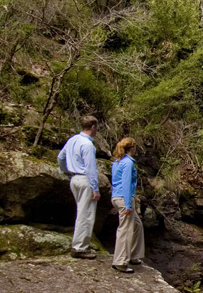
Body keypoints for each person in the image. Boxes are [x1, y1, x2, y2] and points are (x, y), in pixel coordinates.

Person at [57, 116, 100, 258]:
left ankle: (79, 245)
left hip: (74, 178)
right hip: (84, 179)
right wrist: (95, 188)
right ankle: (79, 248)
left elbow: (60, 157)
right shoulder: (87, 145)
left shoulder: (72, 140)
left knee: (82, 211)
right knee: (86, 214)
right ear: (93, 127)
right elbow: (90, 168)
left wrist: (66, 170)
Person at [110, 137, 144, 273]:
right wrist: (128, 204)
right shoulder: (128, 163)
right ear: (132, 148)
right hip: (125, 198)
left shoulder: (117, 162)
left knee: (137, 225)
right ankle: (120, 261)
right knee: (125, 229)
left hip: (117, 197)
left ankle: (134, 255)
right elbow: (126, 183)